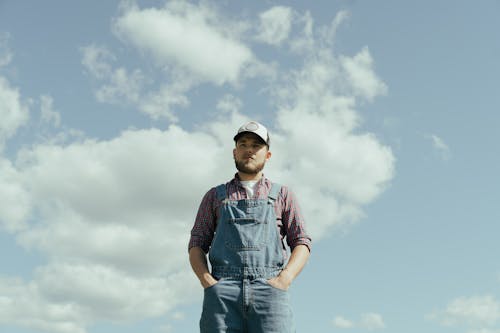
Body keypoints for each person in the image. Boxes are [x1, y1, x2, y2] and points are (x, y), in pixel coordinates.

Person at [188, 120, 312, 332]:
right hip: (223, 292)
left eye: (256, 146)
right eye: (243, 144)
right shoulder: (215, 196)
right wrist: (208, 282)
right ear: (234, 152)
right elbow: (197, 243)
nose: (249, 150)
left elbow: (301, 241)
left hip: (270, 290)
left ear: (268, 154)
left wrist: (285, 279)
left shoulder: (282, 195)